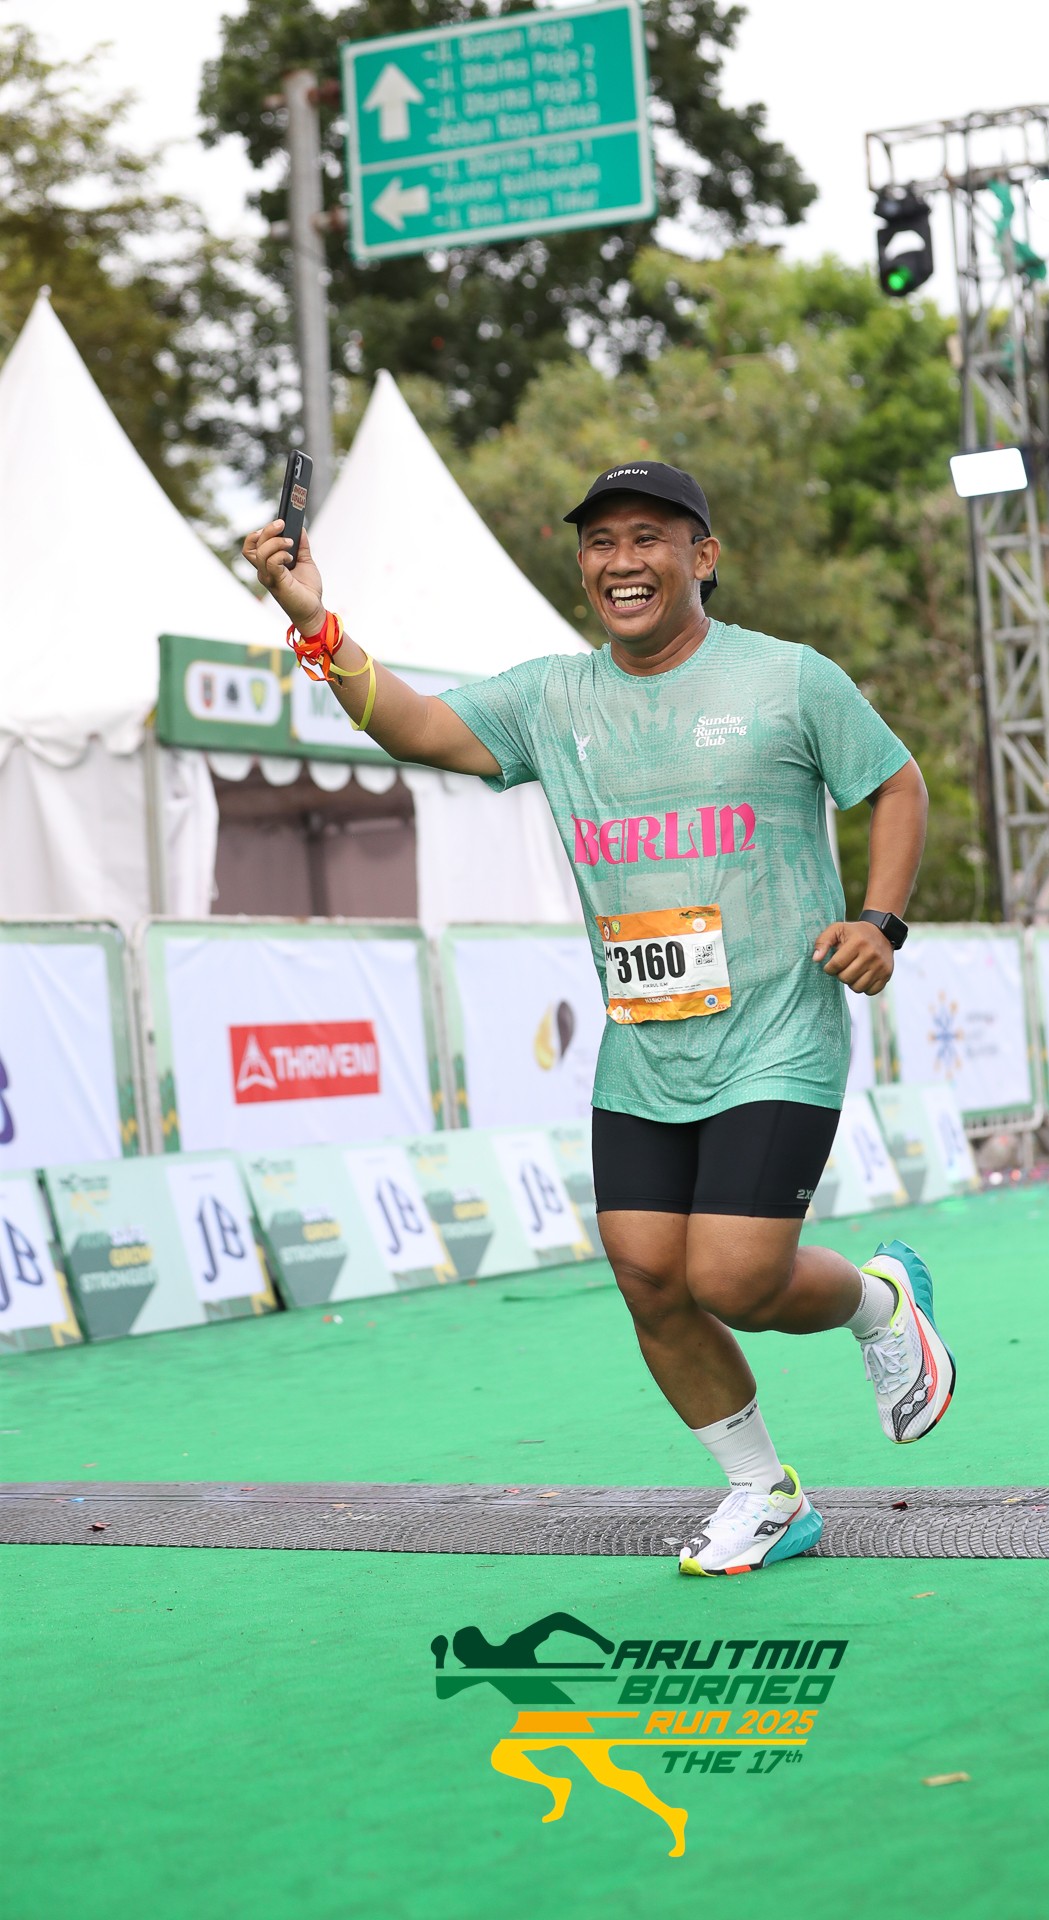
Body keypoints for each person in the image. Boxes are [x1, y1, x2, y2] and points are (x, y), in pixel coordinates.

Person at [244, 460, 955, 1576]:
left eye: (647, 538)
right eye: (599, 543)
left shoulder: (787, 677)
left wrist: (880, 920)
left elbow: (896, 783)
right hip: (643, 1050)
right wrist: (315, 623)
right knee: (648, 1277)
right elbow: (416, 727)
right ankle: (762, 1493)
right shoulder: (550, 698)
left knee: (733, 1279)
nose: (621, 562)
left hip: (778, 1033)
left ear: (701, 557)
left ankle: (879, 1304)